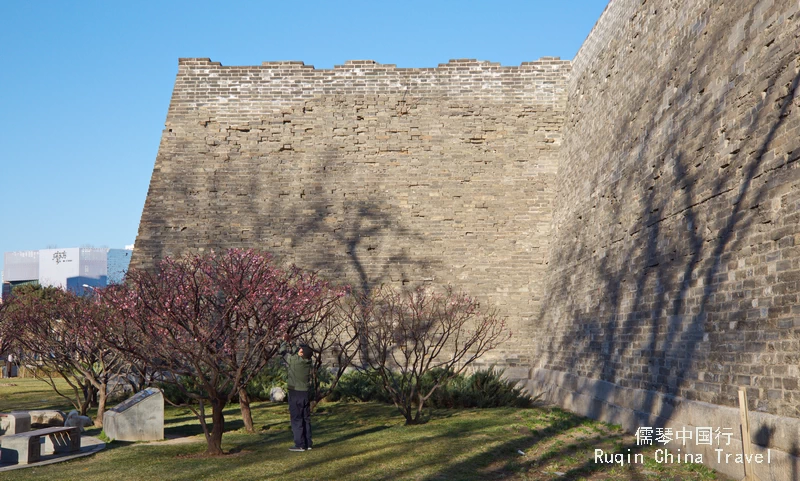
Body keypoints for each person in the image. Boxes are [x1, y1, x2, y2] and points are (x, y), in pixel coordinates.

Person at [281, 333, 313, 452]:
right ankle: (308, 443)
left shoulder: (294, 361)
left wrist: (284, 341)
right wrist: (292, 342)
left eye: (300, 350)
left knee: (296, 419)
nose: (299, 350)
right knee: (306, 418)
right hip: (305, 393)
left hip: (295, 393)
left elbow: (283, 352)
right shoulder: (308, 361)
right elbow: (296, 352)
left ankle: (299, 444)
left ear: (301, 354)